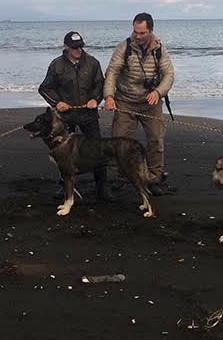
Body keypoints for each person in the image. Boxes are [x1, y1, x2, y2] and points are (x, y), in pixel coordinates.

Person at [103, 12, 176, 195]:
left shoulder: (160, 50)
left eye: (142, 32)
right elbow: (112, 72)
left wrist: (158, 92)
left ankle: (155, 177)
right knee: (119, 141)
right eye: (135, 31)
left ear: (150, 31)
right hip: (125, 101)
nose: (138, 35)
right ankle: (122, 177)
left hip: (150, 102)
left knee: (156, 141)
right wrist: (109, 96)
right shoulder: (124, 47)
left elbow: (169, 75)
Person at [38, 31, 110, 201]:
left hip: (88, 115)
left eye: (81, 47)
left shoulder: (92, 63)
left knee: (98, 150)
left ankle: (102, 187)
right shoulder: (56, 65)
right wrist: (57, 103)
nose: (79, 50)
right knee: (63, 154)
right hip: (66, 117)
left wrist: (95, 99)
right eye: (75, 47)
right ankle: (64, 185)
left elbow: (100, 84)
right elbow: (45, 88)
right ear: (66, 47)